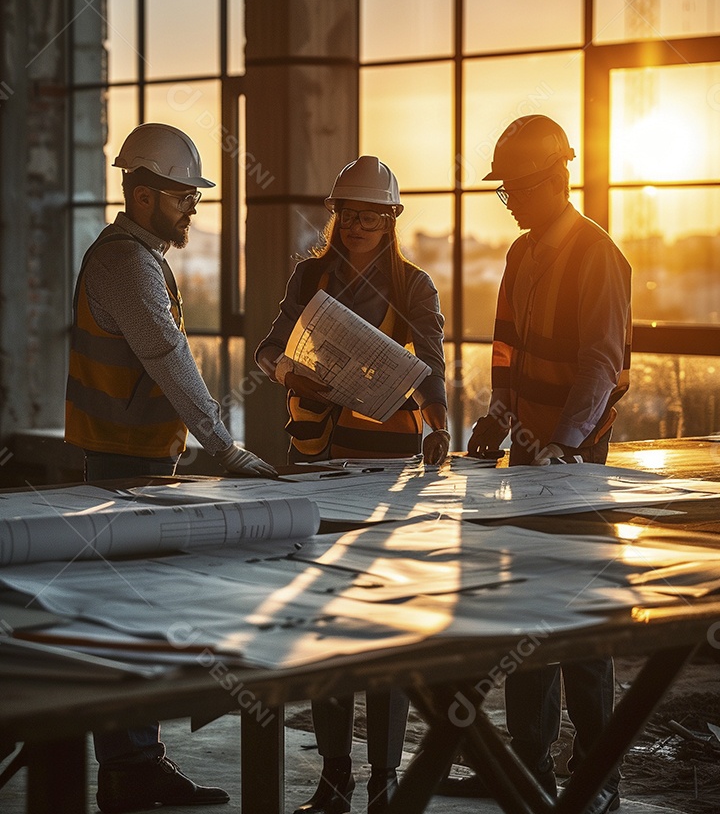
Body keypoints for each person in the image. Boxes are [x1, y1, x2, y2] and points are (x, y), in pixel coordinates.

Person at [65, 122, 277, 814]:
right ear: (146, 194)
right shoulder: (125, 261)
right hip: (119, 464)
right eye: (184, 196)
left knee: (137, 615)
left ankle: (137, 767)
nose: (193, 207)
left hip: (135, 460)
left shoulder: (140, 254)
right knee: (125, 617)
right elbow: (167, 358)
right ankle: (129, 771)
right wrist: (224, 447)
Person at [255, 155, 449, 813]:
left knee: (384, 627)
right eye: (351, 213)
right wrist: (289, 374)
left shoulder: (415, 286)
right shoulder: (312, 275)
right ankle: (335, 779)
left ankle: (384, 782)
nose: (361, 224)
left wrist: (438, 424)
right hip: (322, 462)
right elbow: (269, 346)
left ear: (393, 218)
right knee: (328, 623)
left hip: (390, 470)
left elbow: (431, 367)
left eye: (374, 214)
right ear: (337, 217)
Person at [462, 114, 632, 814]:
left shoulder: (597, 256)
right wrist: (495, 421)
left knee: (585, 631)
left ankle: (599, 781)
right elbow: (507, 353)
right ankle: (526, 771)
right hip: (528, 470)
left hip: (577, 466)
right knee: (526, 619)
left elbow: (600, 363)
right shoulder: (520, 256)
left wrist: (564, 445)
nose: (508, 202)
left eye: (513, 190)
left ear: (552, 180)